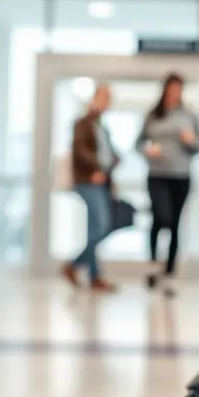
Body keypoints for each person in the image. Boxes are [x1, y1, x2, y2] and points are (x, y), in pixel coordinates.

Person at [135, 72, 199, 296]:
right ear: (165, 89)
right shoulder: (153, 115)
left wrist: (191, 141)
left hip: (181, 175)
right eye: (172, 88)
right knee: (160, 217)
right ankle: (154, 264)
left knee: (174, 223)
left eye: (179, 89)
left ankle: (170, 274)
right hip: (157, 174)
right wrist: (147, 150)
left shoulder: (189, 115)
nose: (175, 93)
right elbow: (138, 143)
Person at [61, 83, 119, 292]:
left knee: (94, 229)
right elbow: (80, 150)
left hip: (102, 181)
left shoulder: (102, 127)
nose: (106, 103)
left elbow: (107, 155)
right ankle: (74, 264)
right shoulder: (82, 124)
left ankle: (94, 276)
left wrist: (113, 165)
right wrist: (94, 168)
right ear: (93, 99)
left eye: (109, 99)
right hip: (88, 180)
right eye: (104, 98)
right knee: (102, 226)